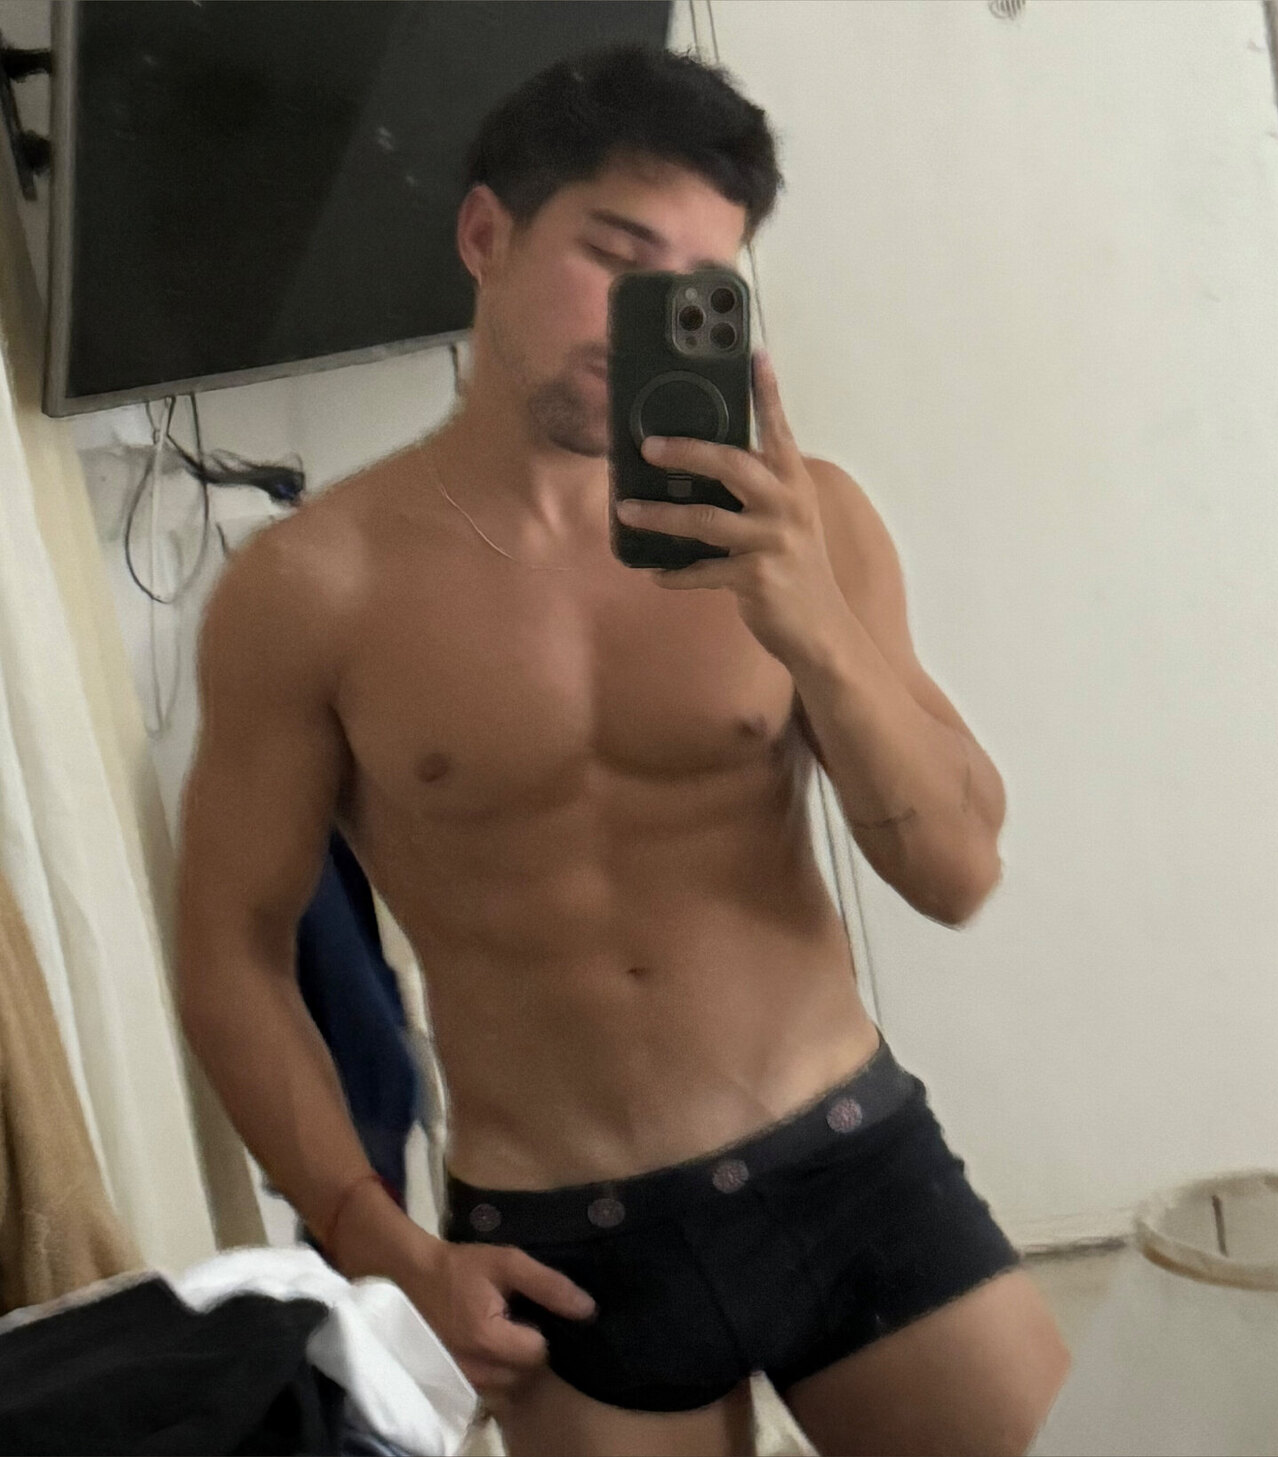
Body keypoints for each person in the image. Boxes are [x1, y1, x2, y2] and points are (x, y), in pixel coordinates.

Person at [177, 43, 1069, 1457]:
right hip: (564, 1250)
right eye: (615, 255)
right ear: (486, 235)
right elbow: (231, 945)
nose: (645, 315)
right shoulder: (310, 588)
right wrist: (383, 1244)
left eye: (700, 282)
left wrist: (813, 628)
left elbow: (957, 874)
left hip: (851, 1168)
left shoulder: (806, 525)